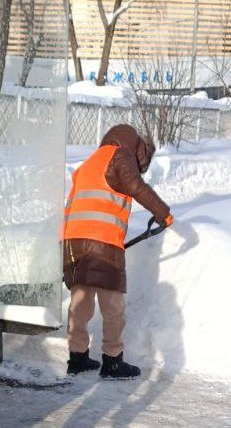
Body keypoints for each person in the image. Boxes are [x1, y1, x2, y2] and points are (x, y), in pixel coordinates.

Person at [61, 124, 172, 378]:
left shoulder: (92, 161)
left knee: (80, 302)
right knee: (113, 305)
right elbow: (135, 185)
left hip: (73, 241)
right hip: (102, 242)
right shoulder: (121, 154)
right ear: (139, 148)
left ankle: (77, 358)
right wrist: (162, 212)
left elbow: (73, 204)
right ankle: (112, 361)